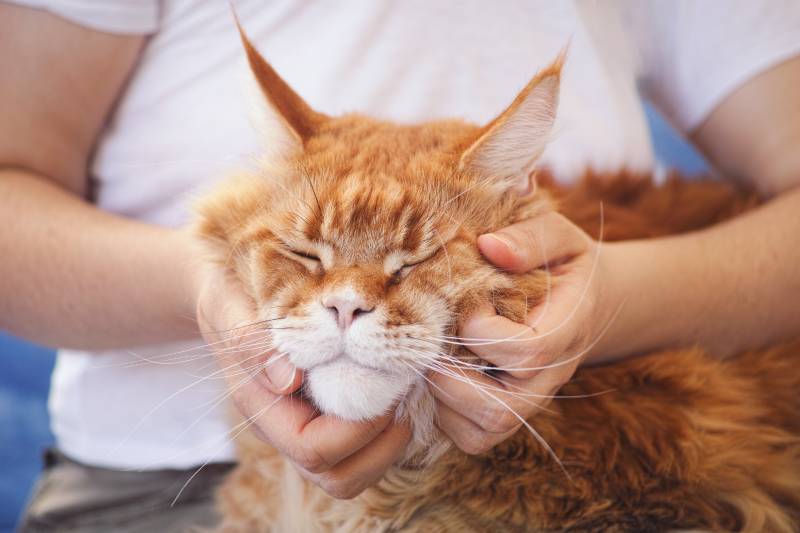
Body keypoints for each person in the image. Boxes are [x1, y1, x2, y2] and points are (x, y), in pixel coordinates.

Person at [2, 0, 798, 530]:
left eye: (405, 265)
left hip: (573, 411)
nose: (348, 301)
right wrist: (206, 291)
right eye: (313, 260)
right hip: (156, 478)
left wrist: (621, 296)